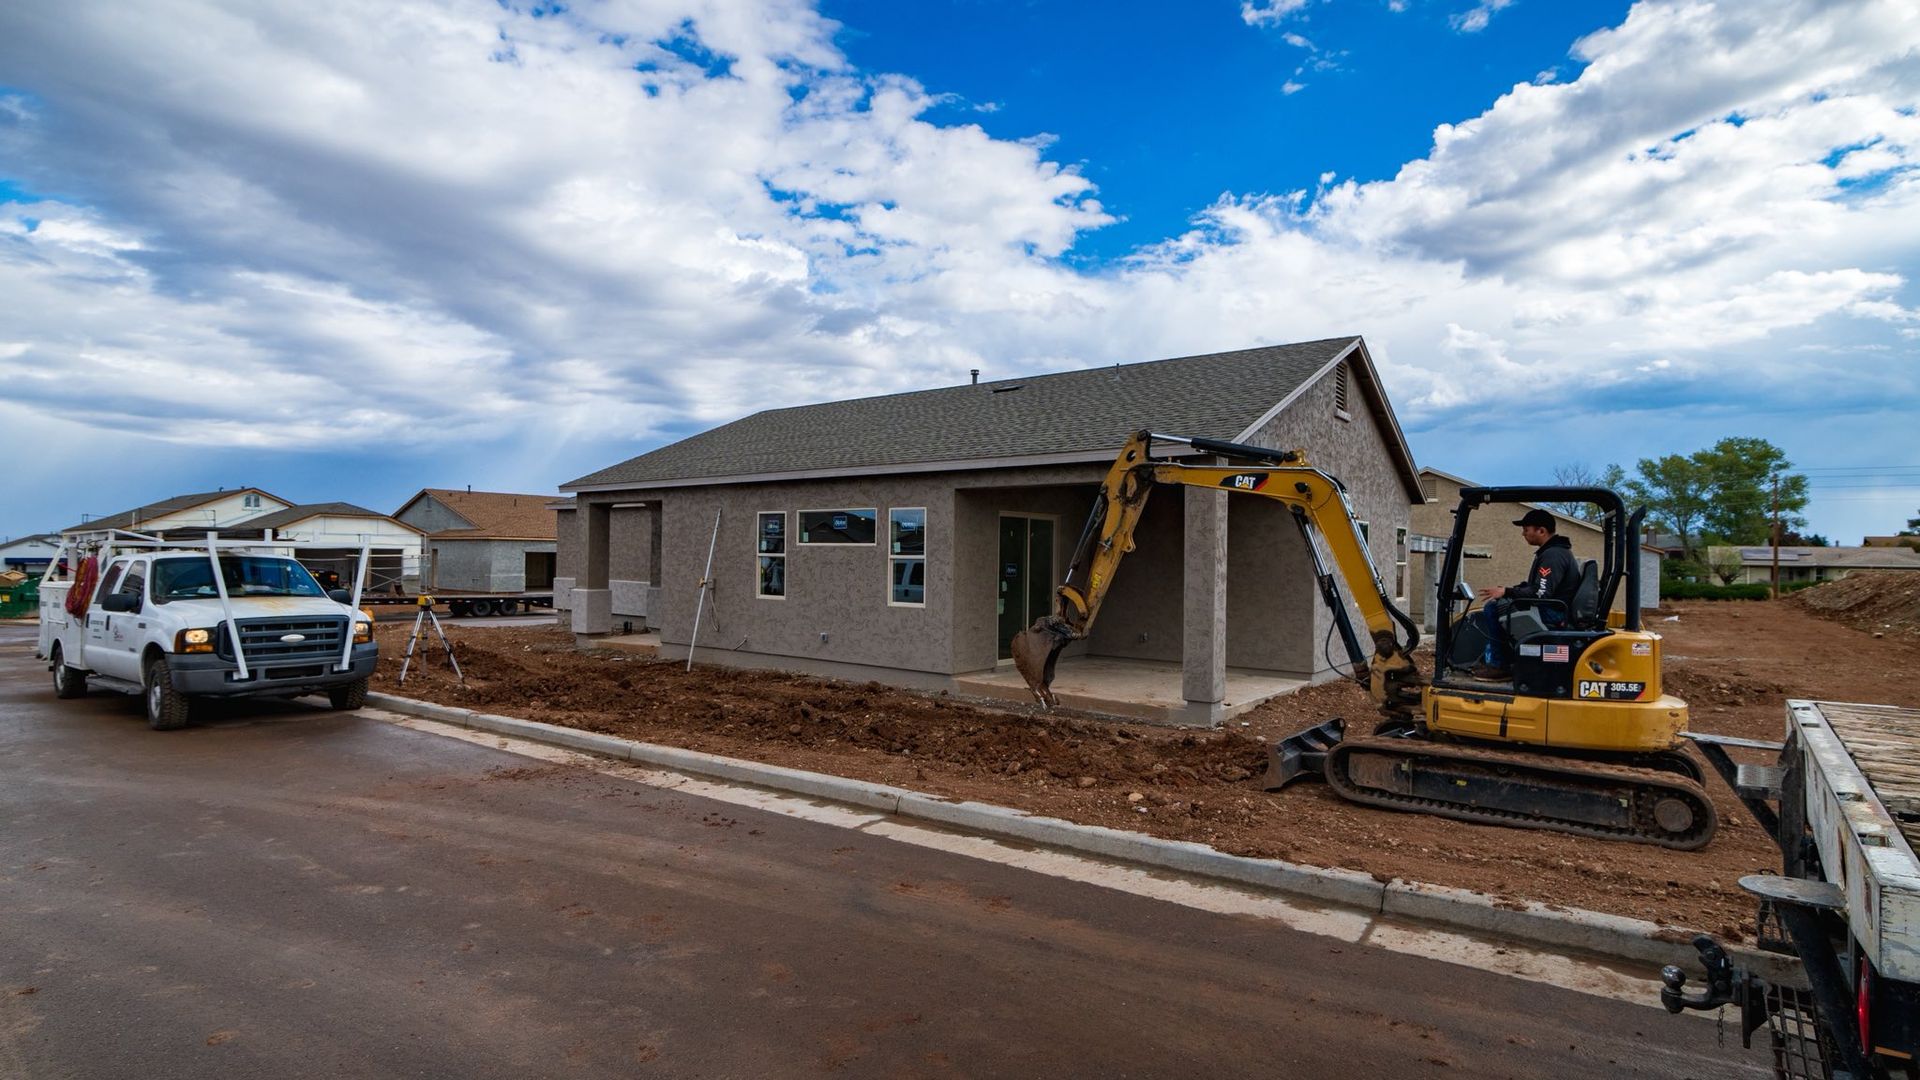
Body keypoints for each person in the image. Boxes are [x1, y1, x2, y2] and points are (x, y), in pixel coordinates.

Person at [1468, 508, 1580, 679]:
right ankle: (1508, 660)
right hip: (1553, 608)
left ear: (1541, 531)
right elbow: (1538, 587)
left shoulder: (1553, 556)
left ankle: (1500, 665)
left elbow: (1542, 594)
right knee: (1499, 605)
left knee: (1492, 608)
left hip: (1553, 613)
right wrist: (1510, 591)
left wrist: (1507, 591)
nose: (1523, 534)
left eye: (1526, 529)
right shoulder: (1553, 552)